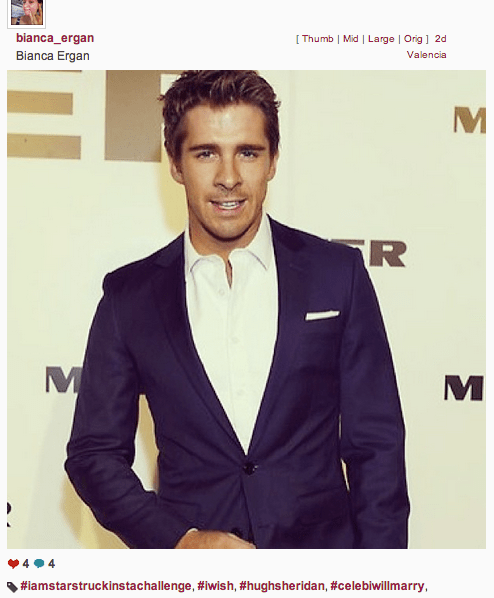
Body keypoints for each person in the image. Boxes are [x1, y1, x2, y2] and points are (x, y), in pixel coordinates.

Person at [65, 70, 409, 549]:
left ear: (273, 161)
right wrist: (179, 539)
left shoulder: (337, 275)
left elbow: (377, 446)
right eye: (206, 153)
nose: (228, 178)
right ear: (175, 164)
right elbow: (93, 453)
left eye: (247, 152)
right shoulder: (130, 297)